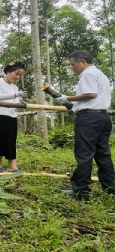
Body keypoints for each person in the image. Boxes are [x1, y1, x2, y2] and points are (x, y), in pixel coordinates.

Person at [55, 50, 115, 200]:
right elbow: (93, 98)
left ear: (83, 61)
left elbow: (91, 94)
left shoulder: (87, 74)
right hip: (103, 117)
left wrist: (67, 97)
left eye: (73, 64)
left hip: (89, 119)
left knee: (84, 153)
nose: (72, 67)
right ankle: (111, 188)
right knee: (103, 154)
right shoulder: (100, 74)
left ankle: (81, 190)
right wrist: (71, 104)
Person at [0, 61, 27, 173]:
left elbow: (14, 102)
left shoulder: (15, 88)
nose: (17, 77)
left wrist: (21, 102)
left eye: (20, 75)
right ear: (8, 71)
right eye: (16, 73)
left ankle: (12, 164)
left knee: (10, 140)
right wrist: (16, 95)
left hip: (10, 115)